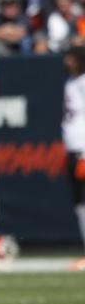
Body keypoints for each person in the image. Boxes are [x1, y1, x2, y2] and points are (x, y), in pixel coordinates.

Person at [62, 42, 85, 263]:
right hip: (73, 148)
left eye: (70, 57)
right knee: (79, 202)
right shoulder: (71, 80)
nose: (65, 60)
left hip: (82, 149)